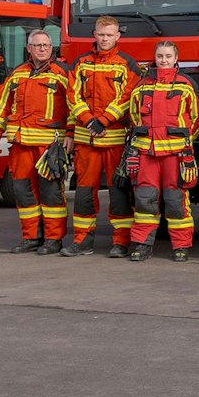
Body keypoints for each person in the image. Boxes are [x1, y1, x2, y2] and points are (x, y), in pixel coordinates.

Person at [62, 16, 141, 257]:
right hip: (86, 141)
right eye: (101, 34)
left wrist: (104, 120)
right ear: (94, 35)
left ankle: (121, 242)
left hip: (115, 140)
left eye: (109, 35)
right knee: (84, 193)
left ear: (118, 36)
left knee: (119, 193)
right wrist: (88, 121)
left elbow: (129, 97)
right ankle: (82, 242)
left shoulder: (127, 64)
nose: (105, 39)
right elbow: (71, 96)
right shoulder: (81, 63)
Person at [0, 29, 72, 254]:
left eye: (46, 45)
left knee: (51, 193)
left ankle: (53, 240)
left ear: (51, 47)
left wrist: (71, 135)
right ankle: (31, 237)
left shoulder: (62, 73)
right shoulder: (17, 74)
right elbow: (2, 106)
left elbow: (75, 106)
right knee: (23, 191)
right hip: (20, 144)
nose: (42, 48)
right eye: (37, 45)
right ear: (29, 48)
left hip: (49, 147)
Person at [122, 41, 199, 262]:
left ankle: (181, 246)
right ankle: (142, 244)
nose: (164, 60)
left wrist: (185, 142)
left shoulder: (186, 85)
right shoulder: (142, 86)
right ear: (155, 58)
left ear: (176, 58)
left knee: (176, 200)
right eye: (160, 56)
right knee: (144, 200)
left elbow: (197, 117)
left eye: (168, 56)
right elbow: (133, 118)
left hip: (176, 156)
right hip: (146, 154)